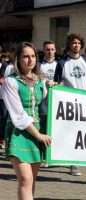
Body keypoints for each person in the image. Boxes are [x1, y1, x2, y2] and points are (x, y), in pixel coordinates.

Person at [1, 42, 51, 200]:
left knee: (31, 181)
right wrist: (39, 135)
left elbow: (47, 103)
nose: (30, 60)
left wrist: (54, 89)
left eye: (33, 56)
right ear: (18, 59)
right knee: (25, 179)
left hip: (37, 132)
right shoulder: (10, 82)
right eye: (25, 56)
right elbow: (18, 115)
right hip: (19, 133)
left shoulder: (41, 81)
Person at [54, 33, 86, 176]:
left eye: (78, 43)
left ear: (81, 45)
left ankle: (75, 160)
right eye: (73, 43)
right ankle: (73, 163)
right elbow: (58, 83)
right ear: (69, 45)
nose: (76, 45)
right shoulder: (62, 63)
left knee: (80, 133)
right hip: (68, 104)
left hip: (84, 103)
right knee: (69, 133)